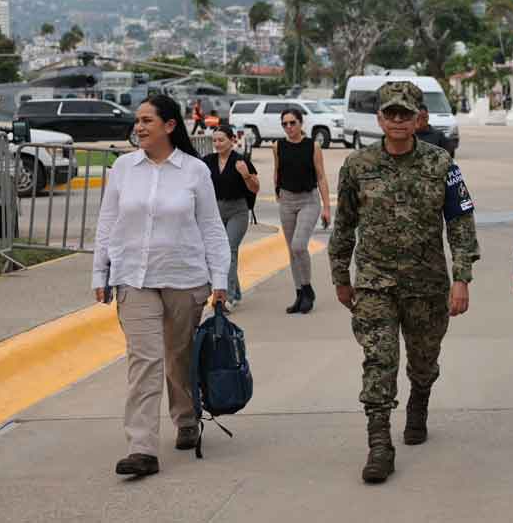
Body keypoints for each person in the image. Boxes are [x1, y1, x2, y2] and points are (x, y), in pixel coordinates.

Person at [330, 81, 480, 484]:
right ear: (379, 118)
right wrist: (340, 276)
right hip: (375, 283)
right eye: (390, 113)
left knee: (423, 359)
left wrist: (461, 278)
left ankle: (419, 400)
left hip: (427, 285)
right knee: (379, 361)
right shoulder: (357, 166)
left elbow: (461, 224)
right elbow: (343, 225)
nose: (397, 120)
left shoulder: (441, 164)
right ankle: (379, 443)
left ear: (419, 119)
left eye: (405, 114)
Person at [92, 94, 231, 477]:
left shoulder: (194, 171)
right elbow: (108, 223)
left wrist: (220, 279)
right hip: (134, 277)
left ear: (170, 126)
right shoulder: (123, 168)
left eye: (147, 120)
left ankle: (186, 417)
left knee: (179, 355)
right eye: (137, 121)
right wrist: (99, 272)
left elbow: (211, 228)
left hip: (185, 277)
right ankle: (142, 447)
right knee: (144, 360)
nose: (138, 127)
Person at [273, 108, 332, 314]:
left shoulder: (312, 146)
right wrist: (277, 193)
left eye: (292, 123)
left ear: (301, 123)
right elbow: (277, 170)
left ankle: (308, 289)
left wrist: (326, 207)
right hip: (287, 200)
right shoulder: (277, 146)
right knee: (292, 251)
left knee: (299, 246)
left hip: (309, 200)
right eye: (285, 124)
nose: (289, 127)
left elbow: (322, 177)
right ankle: (299, 294)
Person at [203, 126, 259, 309]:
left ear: (231, 140)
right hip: (215, 211)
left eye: (222, 140)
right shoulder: (208, 161)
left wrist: (246, 175)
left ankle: (227, 296)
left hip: (238, 210)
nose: (218, 144)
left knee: (229, 249)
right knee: (219, 252)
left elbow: (255, 188)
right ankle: (235, 290)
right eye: (215, 141)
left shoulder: (241, 161)